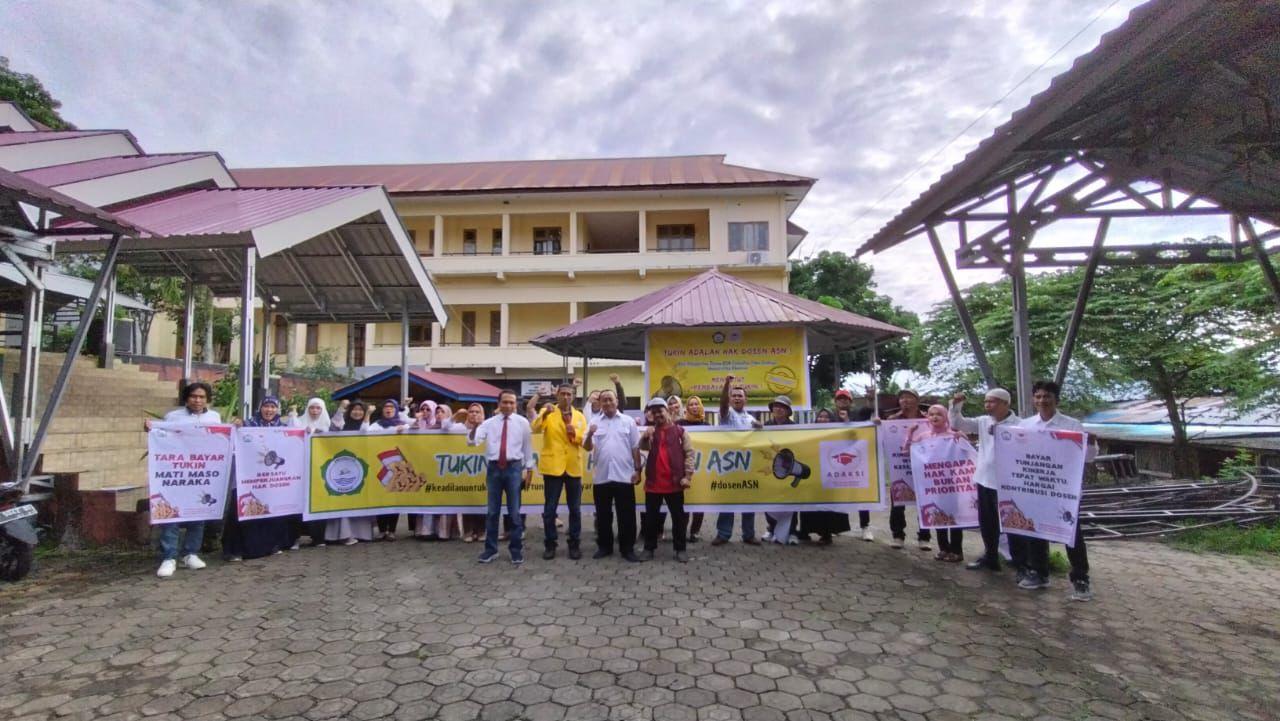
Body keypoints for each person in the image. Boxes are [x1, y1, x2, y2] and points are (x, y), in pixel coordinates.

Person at [1013, 380, 1097, 601]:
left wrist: (1092, 444)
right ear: (1033, 400)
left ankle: (1080, 579)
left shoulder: (1072, 425)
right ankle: (1039, 573)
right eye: (1038, 396)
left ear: (1056, 399)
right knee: (1035, 530)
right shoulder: (1025, 426)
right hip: (1035, 489)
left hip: (1063, 491)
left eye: (1047, 396)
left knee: (1071, 535)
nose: (1042, 400)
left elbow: (1087, 458)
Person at [146, 381, 220, 578]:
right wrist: (150, 428)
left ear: (207, 399)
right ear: (187, 398)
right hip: (178, 473)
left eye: (202, 397)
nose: (197, 400)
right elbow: (162, 438)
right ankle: (169, 557)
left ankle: (190, 553)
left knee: (198, 511)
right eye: (194, 396)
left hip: (202, 474)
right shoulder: (173, 417)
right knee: (171, 513)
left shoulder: (215, 418)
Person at [949, 388, 1017, 572]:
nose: (988, 405)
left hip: (1006, 483)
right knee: (987, 522)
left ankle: (1018, 560)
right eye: (986, 401)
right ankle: (991, 556)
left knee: (1011, 522)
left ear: (1005, 403)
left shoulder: (1019, 425)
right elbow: (957, 423)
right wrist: (956, 405)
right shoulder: (983, 421)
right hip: (984, 479)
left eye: (992, 401)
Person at [224, 396, 295, 561]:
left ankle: (268, 546)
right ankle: (237, 550)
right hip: (248, 480)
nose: (269, 410)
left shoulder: (282, 428)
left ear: (278, 409)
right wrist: (236, 427)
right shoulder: (248, 425)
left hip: (270, 481)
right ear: (260, 407)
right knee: (243, 510)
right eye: (266, 406)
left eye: (273, 407)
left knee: (268, 511)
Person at [468, 389, 533, 564]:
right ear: (499, 403)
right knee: (492, 512)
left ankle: (516, 550)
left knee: (514, 512)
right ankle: (491, 550)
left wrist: (529, 469)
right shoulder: (488, 423)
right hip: (494, 469)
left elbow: (528, 448)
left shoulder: (522, 422)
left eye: (512, 402)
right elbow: (473, 442)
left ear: (516, 404)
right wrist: (474, 427)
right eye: (505, 402)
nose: (508, 405)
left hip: (514, 469)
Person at [583, 389, 643, 562]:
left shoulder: (628, 421)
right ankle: (605, 547)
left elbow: (635, 448)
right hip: (602, 477)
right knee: (603, 515)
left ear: (617, 401)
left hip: (624, 476)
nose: (607, 403)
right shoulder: (594, 422)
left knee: (627, 515)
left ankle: (627, 549)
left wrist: (638, 470)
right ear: (600, 403)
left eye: (610, 399)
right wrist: (590, 434)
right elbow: (587, 447)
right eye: (604, 400)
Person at [903, 404, 968, 562]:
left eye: (938, 414)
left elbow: (966, 455)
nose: (934, 417)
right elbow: (906, 452)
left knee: (953, 517)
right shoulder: (923, 437)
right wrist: (910, 434)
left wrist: (963, 438)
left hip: (951, 485)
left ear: (945, 417)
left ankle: (957, 551)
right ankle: (943, 549)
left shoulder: (953, 436)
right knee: (938, 515)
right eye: (931, 414)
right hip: (932, 485)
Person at [532, 384, 587, 560]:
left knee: (575, 510)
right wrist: (545, 414)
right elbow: (535, 428)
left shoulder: (579, 416)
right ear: (557, 395)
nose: (565, 397)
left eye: (569, 394)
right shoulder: (548, 411)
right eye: (562, 393)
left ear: (574, 396)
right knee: (549, 509)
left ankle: (574, 544)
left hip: (573, 467)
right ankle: (550, 544)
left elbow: (584, 440)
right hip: (553, 467)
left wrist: (575, 435)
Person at [639, 397, 694, 562]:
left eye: (660, 411)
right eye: (653, 412)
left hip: (675, 483)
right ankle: (649, 548)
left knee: (678, 518)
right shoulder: (650, 431)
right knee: (650, 519)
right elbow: (643, 448)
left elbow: (689, 454)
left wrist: (688, 476)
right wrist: (645, 437)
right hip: (654, 483)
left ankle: (680, 549)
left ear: (668, 411)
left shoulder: (680, 431)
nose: (657, 415)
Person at [713, 375, 762, 546]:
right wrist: (727, 384)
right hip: (728, 465)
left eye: (740, 395)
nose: (737, 398)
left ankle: (749, 534)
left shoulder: (750, 419)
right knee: (727, 499)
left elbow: (762, 434)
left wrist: (760, 428)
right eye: (734, 395)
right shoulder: (726, 414)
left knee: (749, 500)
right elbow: (723, 403)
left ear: (745, 399)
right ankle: (723, 534)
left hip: (747, 466)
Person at [884, 389, 932, 551]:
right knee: (898, 502)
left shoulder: (927, 419)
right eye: (902, 398)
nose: (905, 401)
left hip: (922, 468)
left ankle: (924, 537)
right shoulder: (892, 420)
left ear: (917, 400)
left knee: (924, 503)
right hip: (900, 468)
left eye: (909, 398)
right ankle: (898, 535)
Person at [799, 408, 852, 546]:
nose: (823, 419)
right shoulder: (809, 433)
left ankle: (826, 534)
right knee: (808, 503)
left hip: (829, 474)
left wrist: (846, 421)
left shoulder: (836, 433)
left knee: (827, 505)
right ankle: (805, 531)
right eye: (820, 416)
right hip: (813, 474)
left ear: (832, 419)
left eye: (826, 417)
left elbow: (851, 438)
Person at [325, 401, 375, 545]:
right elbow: (333, 427)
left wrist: (368, 415)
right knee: (344, 500)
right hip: (342, 467)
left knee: (359, 499)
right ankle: (343, 534)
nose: (357, 412)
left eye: (361, 410)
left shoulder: (369, 425)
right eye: (354, 409)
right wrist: (341, 408)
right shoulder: (343, 424)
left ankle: (361, 534)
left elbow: (365, 432)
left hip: (361, 467)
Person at [290, 397, 332, 547]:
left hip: (320, 470)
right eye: (312, 408)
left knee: (319, 504)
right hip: (300, 469)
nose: (315, 411)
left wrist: (317, 431)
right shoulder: (299, 422)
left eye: (318, 408)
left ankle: (318, 537)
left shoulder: (328, 424)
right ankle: (294, 538)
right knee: (297, 505)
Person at [368, 399, 410, 541]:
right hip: (380, 465)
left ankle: (391, 530)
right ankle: (381, 530)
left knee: (394, 498)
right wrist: (393, 431)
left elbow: (415, 428)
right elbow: (366, 434)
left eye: (392, 407)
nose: (388, 409)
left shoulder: (403, 425)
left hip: (397, 466)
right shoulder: (377, 425)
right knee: (381, 498)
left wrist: (406, 409)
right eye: (386, 406)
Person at [763, 396, 800, 545]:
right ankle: (771, 528)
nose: (778, 409)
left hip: (789, 469)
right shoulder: (766, 425)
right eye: (776, 406)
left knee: (791, 500)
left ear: (787, 411)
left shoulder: (795, 427)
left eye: (782, 407)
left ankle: (792, 532)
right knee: (769, 499)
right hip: (771, 468)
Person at [678, 396, 708, 543]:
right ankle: (682, 530)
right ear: (687, 408)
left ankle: (695, 531)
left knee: (699, 500)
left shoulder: (707, 425)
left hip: (703, 468)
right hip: (683, 467)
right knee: (684, 501)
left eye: (697, 404)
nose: (694, 406)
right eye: (691, 404)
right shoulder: (680, 424)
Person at [460, 402, 488, 543]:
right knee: (468, 498)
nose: (474, 414)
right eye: (471, 411)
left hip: (483, 468)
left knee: (482, 499)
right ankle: (468, 531)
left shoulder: (488, 428)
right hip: (466, 468)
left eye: (477, 412)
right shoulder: (459, 429)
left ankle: (482, 530)